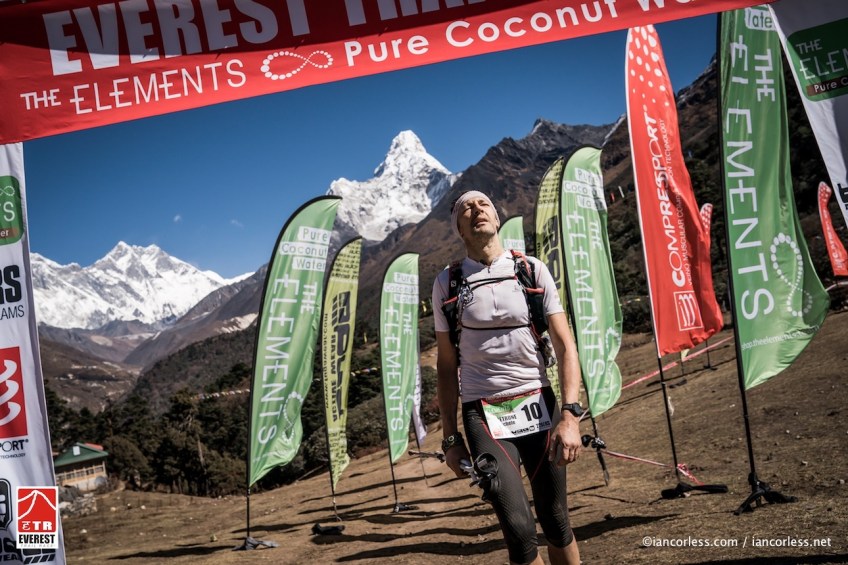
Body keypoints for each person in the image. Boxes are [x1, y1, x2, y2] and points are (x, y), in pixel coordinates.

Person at [432, 190, 583, 565]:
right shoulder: (447, 284)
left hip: (538, 402)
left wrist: (570, 416)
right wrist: (450, 437)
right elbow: (446, 367)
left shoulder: (531, 270)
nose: (476, 209)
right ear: (459, 229)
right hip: (483, 413)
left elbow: (566, 346)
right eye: (466, 208)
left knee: (556, 519)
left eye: (483, 203)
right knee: (518, 530)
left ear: (497, 219)